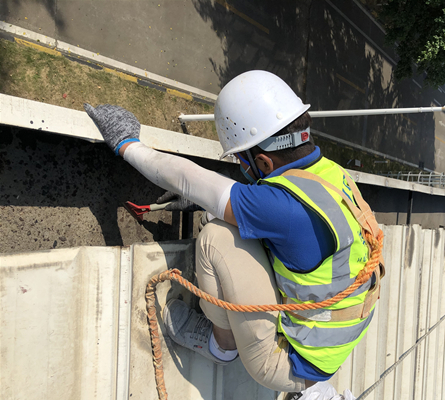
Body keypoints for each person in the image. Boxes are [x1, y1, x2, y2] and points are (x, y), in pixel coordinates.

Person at [84, 70, 383, 396]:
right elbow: (274, 214)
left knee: (217, 237)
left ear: (265, 164)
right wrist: (209, 202)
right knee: (229, 218)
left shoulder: (283, 209)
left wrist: (127, 144)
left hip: (288, 363)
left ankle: (221, 345)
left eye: (243, 159)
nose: (241, 166)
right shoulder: (331, 175)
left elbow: (186, 178)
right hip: (326, 343)